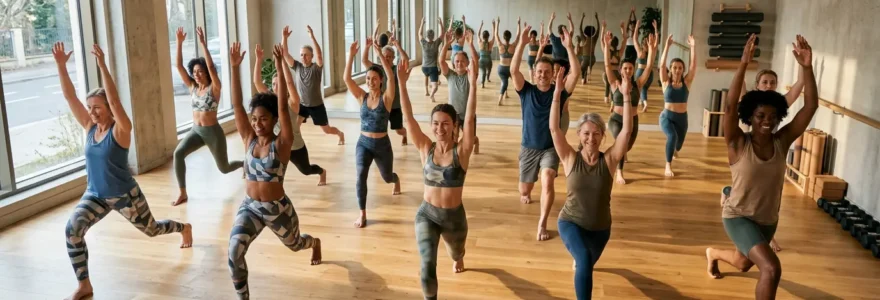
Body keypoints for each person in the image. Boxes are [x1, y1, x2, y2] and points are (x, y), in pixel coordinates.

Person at [55, 42, 193, 300]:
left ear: (108, 108)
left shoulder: (121, 130)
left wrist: (103, 66)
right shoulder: (89, 127)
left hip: (124, 195)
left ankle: (183, 227)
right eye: (90, 107)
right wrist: (62, 66)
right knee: (72, 230)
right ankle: (84, 285)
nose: (92, 112)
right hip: (95, 195)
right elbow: (69, 97)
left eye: (97, 107)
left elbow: (116, 100)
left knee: (151, 229)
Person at [705, 35, 816, 300]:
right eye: (760, 116)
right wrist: (743, 64)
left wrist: (807, 68)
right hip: (738, 216)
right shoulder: (737, 143)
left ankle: (713, 254)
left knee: (744, 264)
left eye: (772, 116)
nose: (767, 121)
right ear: (750, 117)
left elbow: (810, 106)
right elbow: (730, 106)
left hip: (768, 221)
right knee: (770, 268)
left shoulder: (782, 141)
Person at [226, 43, 322, 299]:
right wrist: (235, 68)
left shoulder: (282, 144)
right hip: (250, 208)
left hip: (278, 210)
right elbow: (236, 106)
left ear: (274, 121)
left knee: (296, 245)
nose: (257, 124)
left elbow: (282, 108)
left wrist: (280, 65)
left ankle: (314, 243)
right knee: (234, 252)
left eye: (263, 119)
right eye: (254, 119)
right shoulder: (249, 139)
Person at [398, 43, 478, 300]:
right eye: (435, 124)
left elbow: (470, 116)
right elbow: (408, 118)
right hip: (427, 215)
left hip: (455, 218)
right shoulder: (425, 148)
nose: (440, 128)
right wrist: (400, 82)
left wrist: (474, 85)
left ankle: (458, 256)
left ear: (455, 126)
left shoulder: (462, 151)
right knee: (426, 268)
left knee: (457, 253)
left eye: (445, 124)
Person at [550, 66, 633, 300]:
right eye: (586, 133)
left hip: (600, 230)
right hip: (570, 222)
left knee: (586, 262)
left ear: (602, 136)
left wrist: (626, 96)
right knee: (584, 260)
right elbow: (554, 129)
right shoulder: (569, 158)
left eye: (596, 133)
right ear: (579, 135)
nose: (591, 138)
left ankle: (581, 263)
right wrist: (557, 94)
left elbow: (626, 132)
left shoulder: (609, 160)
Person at [511, 24, 580, 241]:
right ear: (534, 73)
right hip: (528, 148)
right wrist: (522, 44)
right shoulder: (526, 91)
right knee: (524, 190)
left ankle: (542, 222)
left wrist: (569, 47)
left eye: (547, 72)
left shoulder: (559, 92)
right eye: (539, 72)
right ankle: (527, 190)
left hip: (550, 148)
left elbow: (576, 73)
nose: (542, 75)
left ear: (553, 75)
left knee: (548, 178)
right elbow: (513, 71)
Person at [172, 26, 244, 206]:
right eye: (194, 72)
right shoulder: (193, 88)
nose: (196, 75)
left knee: (224, 168)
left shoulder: (215, 88)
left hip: (212, 132)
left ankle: (244, 164)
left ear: (206, 72)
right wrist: (179, 43)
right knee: (178, 153)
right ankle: (183, 193)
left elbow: (212, 66)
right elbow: (178, 66)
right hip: (196, 131)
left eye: (200, 71)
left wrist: (203, 43)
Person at [344, 38, 402, 228]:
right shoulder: (362, 96)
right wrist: (351, 56)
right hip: (364, 144)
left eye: (374, 79)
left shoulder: (387, 98)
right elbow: (347, 79)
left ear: (381, 80)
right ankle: (362, 214)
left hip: (382, 145)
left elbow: (392, 78)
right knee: (360, 175)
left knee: (386, 177)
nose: (370, 82)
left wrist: (380, 57)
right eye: (368, 79)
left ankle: (395, 179)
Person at [253, 44, 327, 186]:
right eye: (273, 84)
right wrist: (258, 59)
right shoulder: (270, 100)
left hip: (295, 145)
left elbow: (288, 81)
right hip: (276, 144)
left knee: (306, 170)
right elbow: (257, 82)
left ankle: (321, 172)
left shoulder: (293, 102)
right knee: (272, 168)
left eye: (278, 83)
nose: (275, 86)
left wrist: (281, 63)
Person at [602, 20, 657, 185]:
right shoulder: (614, 84)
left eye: (630, 68)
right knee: (622, 142)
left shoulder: (638, 84)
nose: (627, 70)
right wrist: (606, 46)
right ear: (620, 70)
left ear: (633, 70)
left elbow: (648, 68)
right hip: (616, 120)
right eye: (624, 68)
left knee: (627, 146)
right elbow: (606, 66)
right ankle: (619, 172)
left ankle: (620, 153)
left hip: (633, 120)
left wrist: (652, 50)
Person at [282, 25, 345, 145]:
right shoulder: (297, 67)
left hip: (317, 106)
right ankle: (295, 144)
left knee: (327, 130)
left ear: (311, 56)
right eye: (301, 55)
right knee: (295, 126)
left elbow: (320, 55)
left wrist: (312, 37)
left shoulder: (316, 68)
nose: (303, 57)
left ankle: (340, 134)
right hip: (302, 105)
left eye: (306, 55)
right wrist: (284, 38)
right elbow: (285, 55)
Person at [658, 33, 696, 178]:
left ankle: (674, 150)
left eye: (680, 68)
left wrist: (693, 47)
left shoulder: (686, 83)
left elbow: (693, 66)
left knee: (678, 145)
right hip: (666, 116)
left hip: (682, 118)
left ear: (682, 70)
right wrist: (667, 46)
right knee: (672, 137)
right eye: (674, 67)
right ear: (671, 69)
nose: (677, 70)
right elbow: (661, 65)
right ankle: (668, 166)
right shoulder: (665, 82)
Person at [362, 33, 410, 146]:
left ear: (393, 58)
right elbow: (364, 61)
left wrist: (397, 46)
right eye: (384, 56)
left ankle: (404, 134)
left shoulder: (397, 69)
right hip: (380, 105)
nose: (387, 58)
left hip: (395, 106)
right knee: (378, 128)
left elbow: (406, 60)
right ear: (380, 56)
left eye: (389, 56)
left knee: (398, 129)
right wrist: (367, 47)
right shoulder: (377, 68)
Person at [440, 24, 481, 153]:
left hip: (469, 114)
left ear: (467, 63)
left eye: (462, 61)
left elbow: (475, 59)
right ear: (453, 63)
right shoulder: (450, 75)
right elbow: (441, 61)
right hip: (454, 114)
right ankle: (455, 156)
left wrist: (471, 44)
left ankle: (476, 141)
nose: (459, 63)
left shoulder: (471, 75)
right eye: (457, 61)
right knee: (455, 136)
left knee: (470, 138)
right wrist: (447, 44)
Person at [494, 16, 521, 105]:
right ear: (510, 37)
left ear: (504, 37)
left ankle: (506, 94)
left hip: (501, 69)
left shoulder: (500, 45)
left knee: (505, 81)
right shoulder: (512, 46)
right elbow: (518, 36)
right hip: (510, 69)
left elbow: (496, 35)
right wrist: (518, 24)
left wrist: (497, 23)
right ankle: (499, 100)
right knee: (510, 82)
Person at [633, 21, 659, 112]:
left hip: (641, 71)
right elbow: (657, 40)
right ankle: (642, 100)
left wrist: (636, 27)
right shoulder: (653, 51)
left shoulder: (640, 52)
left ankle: (645, 103)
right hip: (650, 74)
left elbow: (634, 39)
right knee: (644, 88)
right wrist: (655, 29)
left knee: (641, 87)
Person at [419, 17, 445, 101]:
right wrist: (441, 24)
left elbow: (419, 34)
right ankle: (432, 94)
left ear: (427, 36)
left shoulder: (423, 43)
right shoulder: (436, 43)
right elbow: (442, 34)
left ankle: (426, 91)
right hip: (433, 68)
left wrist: (422, 23)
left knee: (426, 76)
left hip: (424, 68)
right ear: (433, 36)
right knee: (435, 86)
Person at [576, 12, 601, 85]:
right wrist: (597, 19)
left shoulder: (584, 38)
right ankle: (589, 70)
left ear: (585, 32)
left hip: (585, 58)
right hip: (593, 58)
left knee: (583, 66)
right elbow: (598, 30)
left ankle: (583, 78)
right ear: (593, 32)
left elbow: (579, 28)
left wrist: (582, 18)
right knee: (587, 65)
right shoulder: (594, 38)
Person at [477, 20, 495, 88]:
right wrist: (493, 25)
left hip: (481, 61)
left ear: (483, 36)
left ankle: (482, 84)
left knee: (483, 72)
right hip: (488, 60)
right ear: (488, 36)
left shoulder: (480, 42)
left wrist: (481, 25)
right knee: (489, 69)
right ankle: (487, 78)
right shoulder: (490, 43)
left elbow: (478, 34)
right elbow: (494, 35)